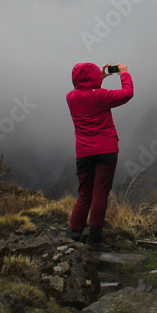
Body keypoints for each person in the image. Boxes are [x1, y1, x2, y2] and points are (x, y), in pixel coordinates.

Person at [65, 62, 133, 249]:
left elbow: (86, 93)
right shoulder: (102, 97)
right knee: (100, 194)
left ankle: (73, 235)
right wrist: (124, 74)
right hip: (106, 151)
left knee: (84, 194)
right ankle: (94, 239)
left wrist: (98, 79)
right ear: (94, 78)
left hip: (83, 153)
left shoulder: (71, 97)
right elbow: (127, 94)